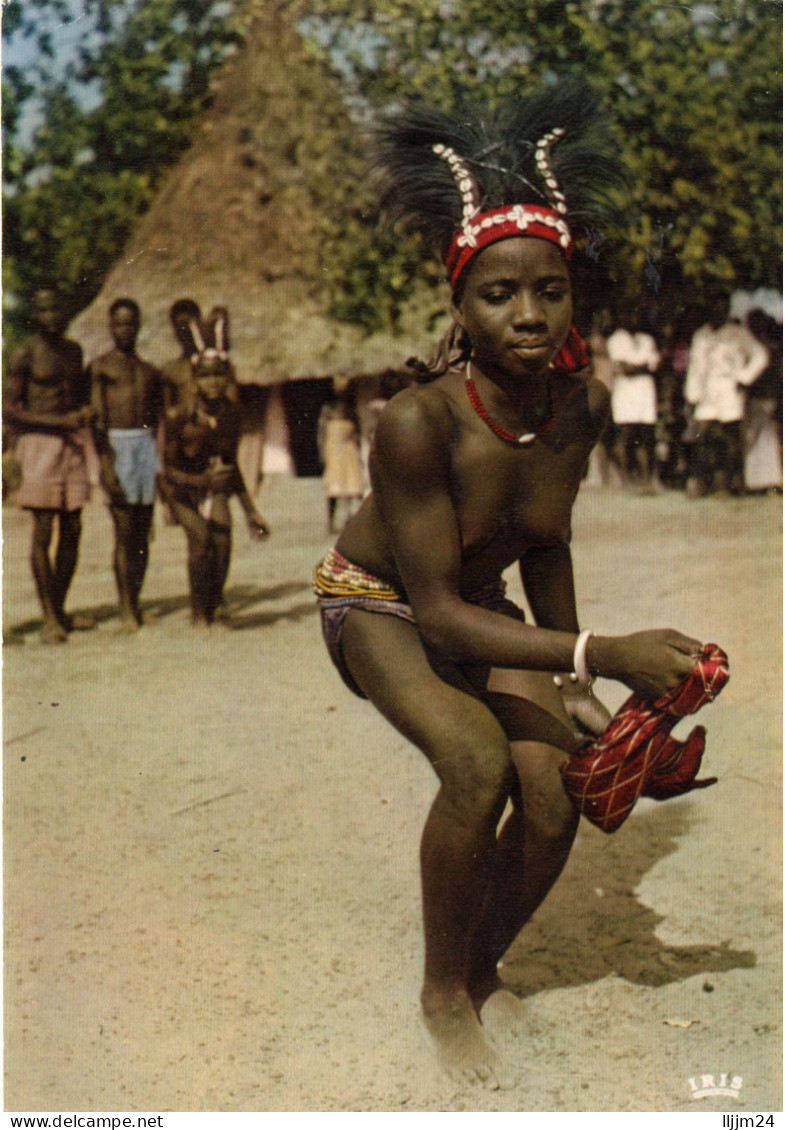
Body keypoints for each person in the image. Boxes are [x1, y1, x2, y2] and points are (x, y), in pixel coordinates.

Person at [312, 82, 704, 1084]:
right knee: (476, 762)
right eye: (498, 294)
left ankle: (477, 967)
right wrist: (593, 651)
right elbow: (433, 608)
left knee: (554, 792)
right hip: (380, 602)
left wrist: (579, 688)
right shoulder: (416, 422)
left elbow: (545, 543)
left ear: (573, 294)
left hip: (476, 607)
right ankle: (442, 995)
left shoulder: (569, 408)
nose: (528, 313)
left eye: (550, 290)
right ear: (458, 305)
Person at [160, 311, 269, 628]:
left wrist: (252, 512)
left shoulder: (231, 414)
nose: (213, 381)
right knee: (201, 540)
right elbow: (167, 470)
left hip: (212, 484)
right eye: (206, 376)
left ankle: (215, 600)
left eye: (219, 374)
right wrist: (199, 479)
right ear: (195, 380)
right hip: (180, 488)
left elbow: (231, 466)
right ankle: (198, 614)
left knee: (223, 543)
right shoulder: (180, 416)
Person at [5, 286, 96, 643]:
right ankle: (48, 617)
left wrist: (84, 412)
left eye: (56, 308)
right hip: (39, 444)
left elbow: (78, 397)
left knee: (73, 528)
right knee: (43, 531)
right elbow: (9, 408)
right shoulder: (25, 353)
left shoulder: (74, 352)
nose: (51, 316)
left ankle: (59, 609)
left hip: (71, 446)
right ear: (34, 314)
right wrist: (57, 422)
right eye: (43, 310)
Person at [87, 298, 164, 631]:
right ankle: (125, 607)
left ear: (139, 325)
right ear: (109, 326)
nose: (125, 329)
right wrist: (105, 462)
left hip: (144, 445)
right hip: (117, 446)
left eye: (131, 323)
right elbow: (96, 420)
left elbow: (159, 418)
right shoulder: (101, 367)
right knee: (124, 529)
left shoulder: (149, 371)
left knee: (143, 530)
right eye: (119, 323)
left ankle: (137, 597)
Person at [683, 295, 769, 497]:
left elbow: (760, 355)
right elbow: (695, 367)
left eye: (722, 307)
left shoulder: (738, 333)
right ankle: (702, 482)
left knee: (730, 440)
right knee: (701, 437)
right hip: (707, 392)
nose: (717, 312)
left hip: (730, 389)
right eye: (714, 307)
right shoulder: (701, 335)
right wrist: (692, 393)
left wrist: (744, 377)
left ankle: (727, 484)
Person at [607, 309, 661, 493]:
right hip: (625, 394)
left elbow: (653, 365)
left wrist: (635, 367)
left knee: (646, 437)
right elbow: (623, 368)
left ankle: (647, 480)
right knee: (626, 437)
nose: (633, 317)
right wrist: (642, 366)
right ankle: (626, 480)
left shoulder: (647, 339)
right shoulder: (616, 339)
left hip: (645, 393)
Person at [317, 376, 364, 533]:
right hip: (334, 449)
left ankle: (351, 518)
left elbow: (357, 430)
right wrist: (323, 452)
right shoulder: (328, 409)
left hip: (348, 447)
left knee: (352, 483)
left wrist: (357, 446)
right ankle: (331, 522)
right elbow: (322, 432)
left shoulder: (350, 409)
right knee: (334, 486)